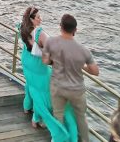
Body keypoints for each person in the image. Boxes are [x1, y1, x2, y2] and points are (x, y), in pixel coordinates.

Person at [20, 7, 77, 142]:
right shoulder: (40, 33)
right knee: (46, 92)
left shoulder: (22, 28)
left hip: (27, 61)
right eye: (38, 17)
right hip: (38, 66)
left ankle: (30, 111)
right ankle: (58, 132)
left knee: (33, 88)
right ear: (31, 19)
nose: (40, 19)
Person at [42, 14, 99, 142]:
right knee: (81, 117)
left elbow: (45, 61)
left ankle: (58, 139)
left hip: (58, 87)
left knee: (58, 115)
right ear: (75, 30)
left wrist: (54, 60)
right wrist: (83, 67)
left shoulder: (51, 42)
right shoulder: (83, 50)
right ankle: (84, 140)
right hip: (77, 90)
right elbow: (95, 71)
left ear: (60, 27)